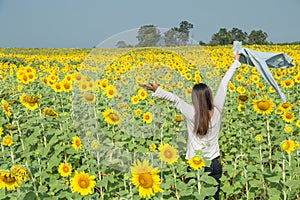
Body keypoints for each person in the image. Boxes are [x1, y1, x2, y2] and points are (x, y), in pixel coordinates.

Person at [142, 52, 241, 200]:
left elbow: (175, 99)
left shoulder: (191, 113)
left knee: (198, 195)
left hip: (195, 163)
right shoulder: (218, 109)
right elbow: (224, 83)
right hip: (214, 162)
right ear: (210, 96)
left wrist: (157, 90)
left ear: (194, 98)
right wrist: (235, 62)